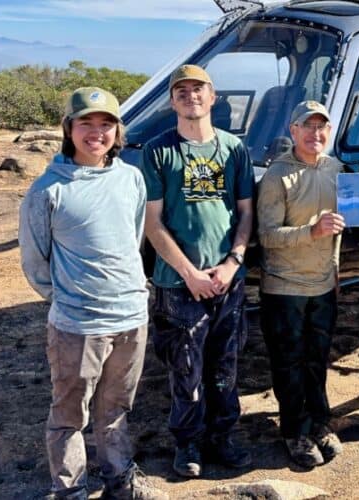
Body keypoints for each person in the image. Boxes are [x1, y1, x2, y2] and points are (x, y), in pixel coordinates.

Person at [19, 87, 166, 500]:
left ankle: (119, 478)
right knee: (69, 414)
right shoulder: (47, 191)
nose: (96, 133)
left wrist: (130, 293)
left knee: (117, 407)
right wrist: (70, 299)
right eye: (86, 123)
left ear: (118, 132)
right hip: (77, 324)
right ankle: (70, 489)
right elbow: (35, 262)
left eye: (106, 124)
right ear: (68, 129)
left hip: (131, 317)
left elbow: (133, 238)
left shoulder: (131, 179)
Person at [141, 65, 254, 478]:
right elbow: (152, 223)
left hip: (228, 281)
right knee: (185, 368)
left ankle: (222, 437)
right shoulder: (157, 151)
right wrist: (189, 273)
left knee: (225, 365)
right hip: (178, 283)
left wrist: (232, 263)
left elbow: (245, 212)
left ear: (213, 96)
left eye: (198, 89)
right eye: (182, 90)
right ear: (172, 101)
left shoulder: (233, 149)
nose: (191, 96)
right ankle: (187, 442)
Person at [257, 101, 346, 468]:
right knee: (289, 362)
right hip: (284, 288)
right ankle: (294, 431)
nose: (315, 134)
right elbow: (266, 235)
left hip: (323, 286)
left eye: (321, 127)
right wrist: (311, 231)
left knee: (317, 360)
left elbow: (341, 228)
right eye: (307, 127)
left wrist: (336, 271)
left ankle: (319, 424)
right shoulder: (277, 176)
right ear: (293, 131)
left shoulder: (336, 170)